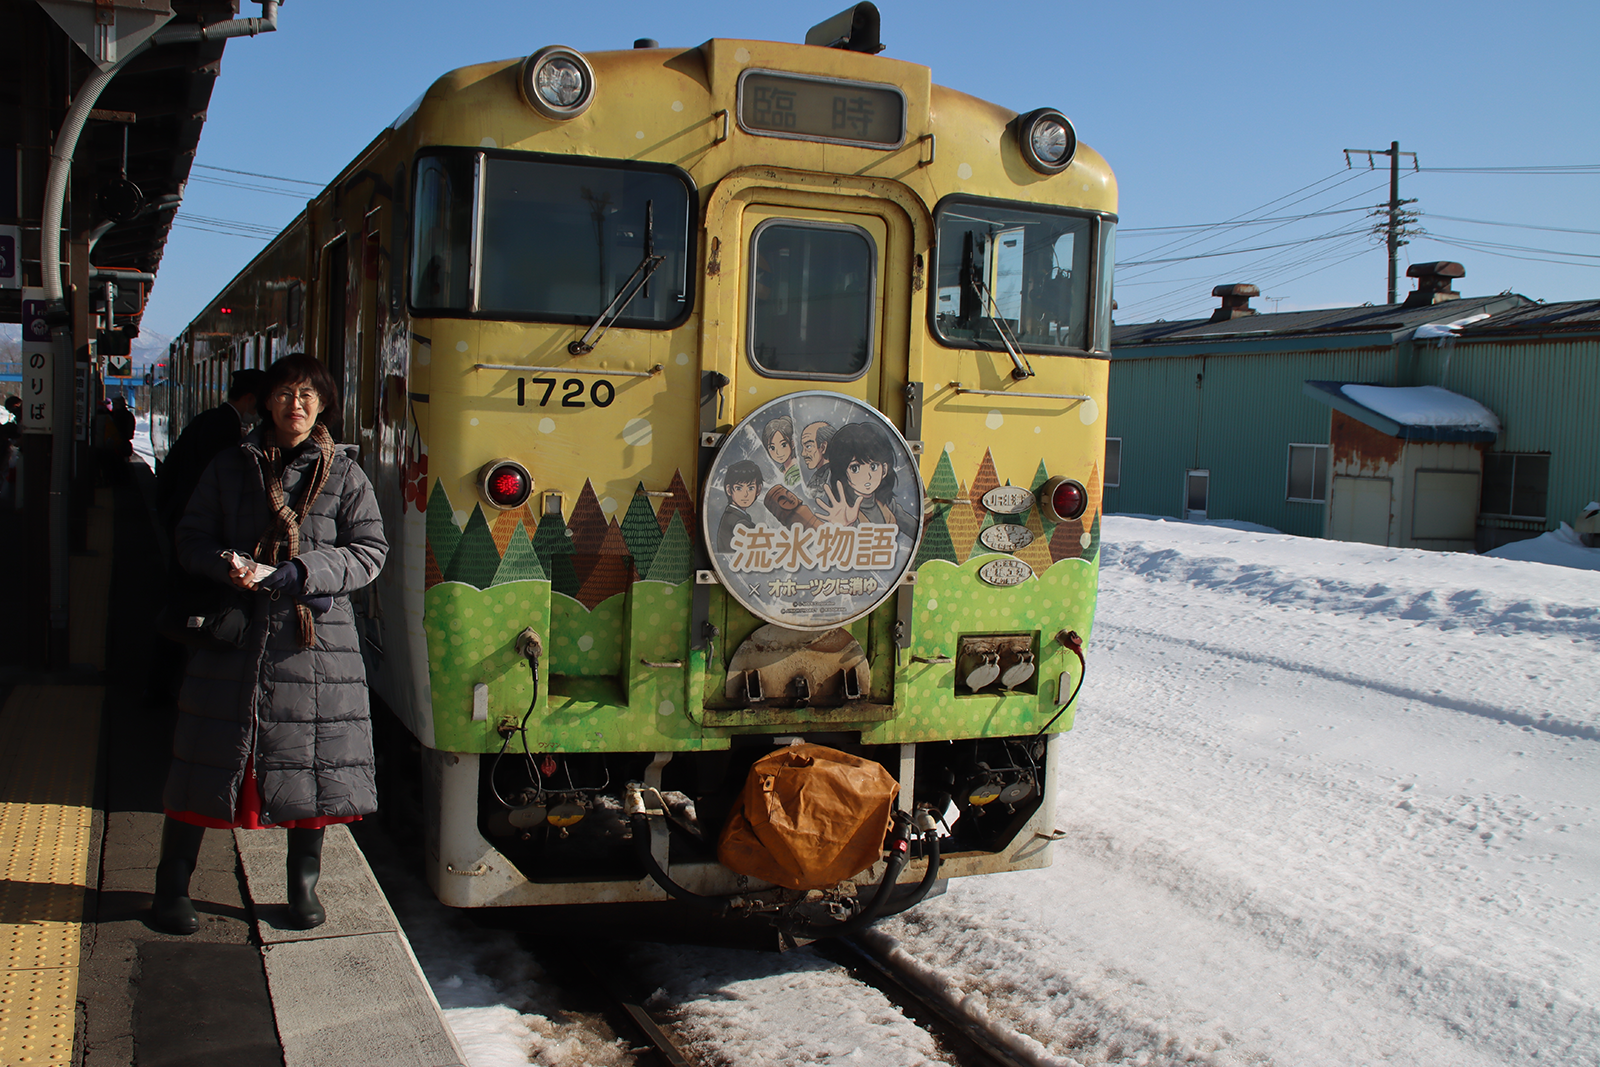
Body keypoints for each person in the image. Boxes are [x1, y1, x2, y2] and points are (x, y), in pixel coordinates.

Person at [151, 353, 387, 935]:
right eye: (285, 393)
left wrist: (304, 572)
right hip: (234, 636)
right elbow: (190, 536)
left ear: (325, 403)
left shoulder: (345, 474)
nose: (297, 404)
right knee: (205, 759)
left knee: (313, 763)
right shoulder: (230, 466)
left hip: (315, 646)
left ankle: (302, 888)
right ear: (265, 401)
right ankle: (171, 884)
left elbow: (370, 551)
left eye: (309, 394)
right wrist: (223, 565)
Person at [156, 368, 267, 542]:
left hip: (181, 511)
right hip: (195, 517)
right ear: (249, 398)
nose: (259, 414)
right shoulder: (226, 428)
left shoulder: (208, 418)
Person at [812, 421, 919, 539]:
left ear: (884, 469)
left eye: (873, 466)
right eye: (855, 468)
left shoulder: (887, 504)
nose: (867, 476)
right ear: (843, 472)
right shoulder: (844, 510)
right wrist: (842, 526)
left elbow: (915, 529)